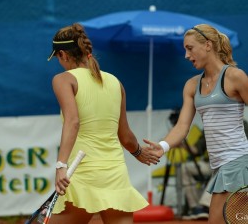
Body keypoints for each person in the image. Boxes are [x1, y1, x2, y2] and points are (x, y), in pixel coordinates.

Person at [46, 23, 159, 224]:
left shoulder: (63, 79)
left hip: (83, 174)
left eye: (57, 58)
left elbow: (73, 122)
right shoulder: (116, 82)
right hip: (115, 174)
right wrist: (139, 153)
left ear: (63, 54)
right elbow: (125, 135)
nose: (59, 62)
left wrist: (61, 165)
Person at [144, 24, 248, 224]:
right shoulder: (191, 85)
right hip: (220, 166)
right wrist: (163, 146)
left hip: (237, 162)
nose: (186, 55)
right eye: (185, 49)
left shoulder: (235, 77)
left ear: (208, 45)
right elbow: (182, 126)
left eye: (190, 48)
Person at [181, 132, 212, 220]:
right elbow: (196, 150)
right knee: (186, 167)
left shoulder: (242, 124)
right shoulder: (209, 124)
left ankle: (205, 206)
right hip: (209, 163)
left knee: (220, 169)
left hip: (230, 163)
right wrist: (181, 143)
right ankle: (195, 207)